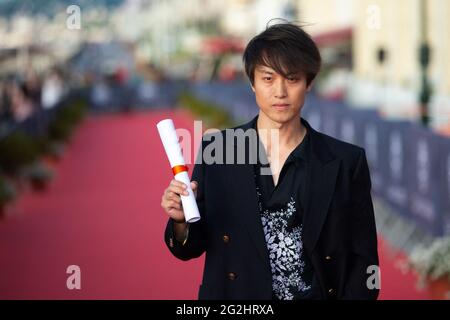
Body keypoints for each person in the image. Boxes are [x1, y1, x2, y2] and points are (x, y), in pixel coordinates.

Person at [161, 22, 379, 300]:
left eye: (291, 78)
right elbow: (190, 247)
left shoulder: (346, 161)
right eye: (267, 78)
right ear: (252, 82)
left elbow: (364, 261)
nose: (280, 92)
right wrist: (181, 221)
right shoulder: (217, 150)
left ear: (309, 83)